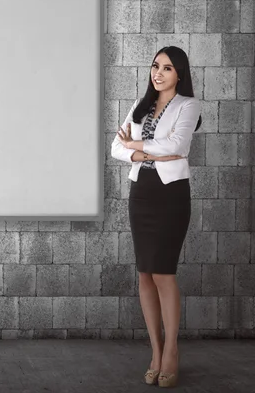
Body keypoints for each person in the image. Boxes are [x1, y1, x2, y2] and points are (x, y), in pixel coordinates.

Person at [111, 46, 202, 388]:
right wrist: (142, 151)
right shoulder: (141, 104)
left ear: (179, 73)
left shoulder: (188, 105)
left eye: (166, 67)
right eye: (155, 66)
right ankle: (155, 350)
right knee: (144, 274)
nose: (158, 72)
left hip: (170, 196)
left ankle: (172, 352)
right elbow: (115, 148)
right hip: (142, 194)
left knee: (164, 273)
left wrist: (137, 144)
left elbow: (178, 146)